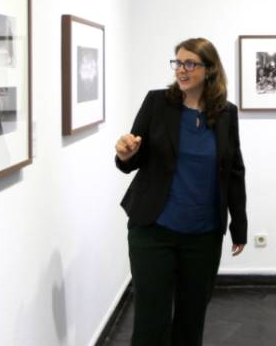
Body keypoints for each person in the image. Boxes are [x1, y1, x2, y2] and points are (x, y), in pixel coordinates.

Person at [114, 37, 247, 346]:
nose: (181, 70)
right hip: (153, 230)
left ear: (209, 69)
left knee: (191, 319)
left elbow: (234, 171)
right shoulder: (157, 103)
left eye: (190, 63)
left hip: (204, 235)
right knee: (150, 321)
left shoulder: (226, 113)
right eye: (178, 62)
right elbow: (132, 156)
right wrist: (125, 153)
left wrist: (239, 225)